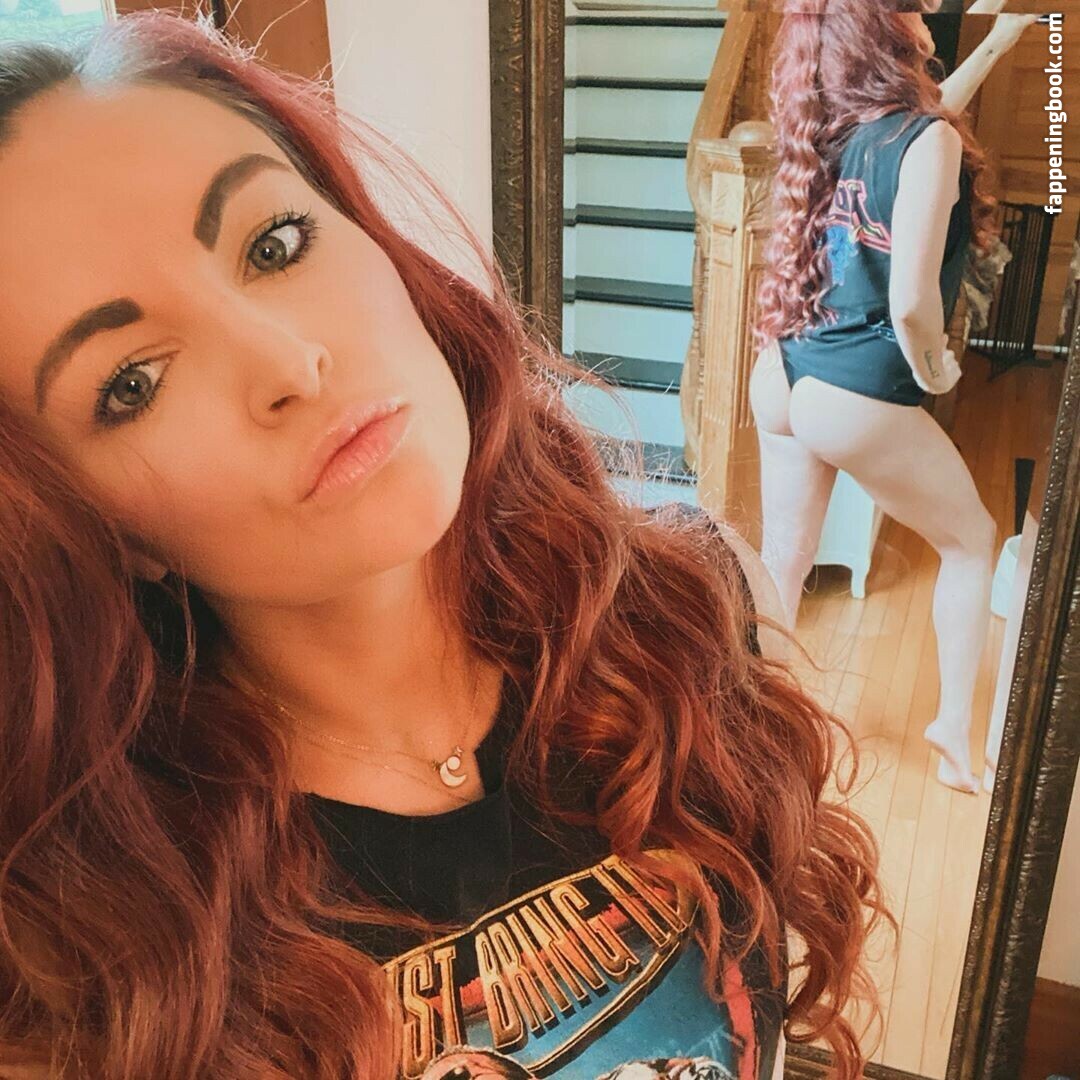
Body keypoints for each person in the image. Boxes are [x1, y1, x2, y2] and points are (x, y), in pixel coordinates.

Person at [0, 11, 886, 1079]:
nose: (289, 362)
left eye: (275, 245)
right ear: (76, 524)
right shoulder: (99, 967)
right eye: (132, 383)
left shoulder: (686, 608)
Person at [750, 0, 1037, 795]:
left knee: (783, 561)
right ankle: (951, 736)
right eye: (911, 11)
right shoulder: (926, 140)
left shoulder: (834, 126)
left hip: (784, 372)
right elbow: (912, 303)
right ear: (886, 31)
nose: (926, 20)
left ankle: (756, 730)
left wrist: (1000, 41)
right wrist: (936, 366)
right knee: (972, 542)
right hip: (852, 390)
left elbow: (937, 115)